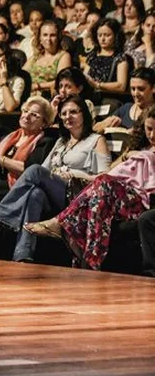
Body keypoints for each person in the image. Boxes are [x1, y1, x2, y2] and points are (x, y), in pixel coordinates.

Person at [0, 96, 110, 262]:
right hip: (55, 192)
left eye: (74, 112)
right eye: (64, 113)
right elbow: (45, 169)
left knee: (34, 170)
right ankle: (23, 256)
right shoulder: (61, 142)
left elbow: (104, 178)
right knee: (35, 194)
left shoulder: (96, 140)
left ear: (84, 114)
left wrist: (77, 174)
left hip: (78, 195)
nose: (68, 116)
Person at [25, 106, 155, 270]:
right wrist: (127, 155)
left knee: (103, 186)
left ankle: (60, 222)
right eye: (149, 129)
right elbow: (112, 171)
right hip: (118, 195)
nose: (152, 135)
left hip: (141, 202)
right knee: (98, 202)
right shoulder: (139, 146)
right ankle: (91, 262)